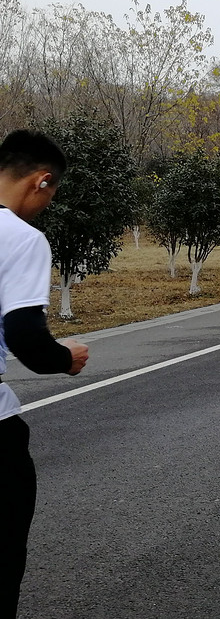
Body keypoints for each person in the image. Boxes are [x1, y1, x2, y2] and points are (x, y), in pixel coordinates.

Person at [0, 130, 90, 617]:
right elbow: (27, 338)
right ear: (42, 180)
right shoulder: (18, 237)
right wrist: (66, 357)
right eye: (52, 193)